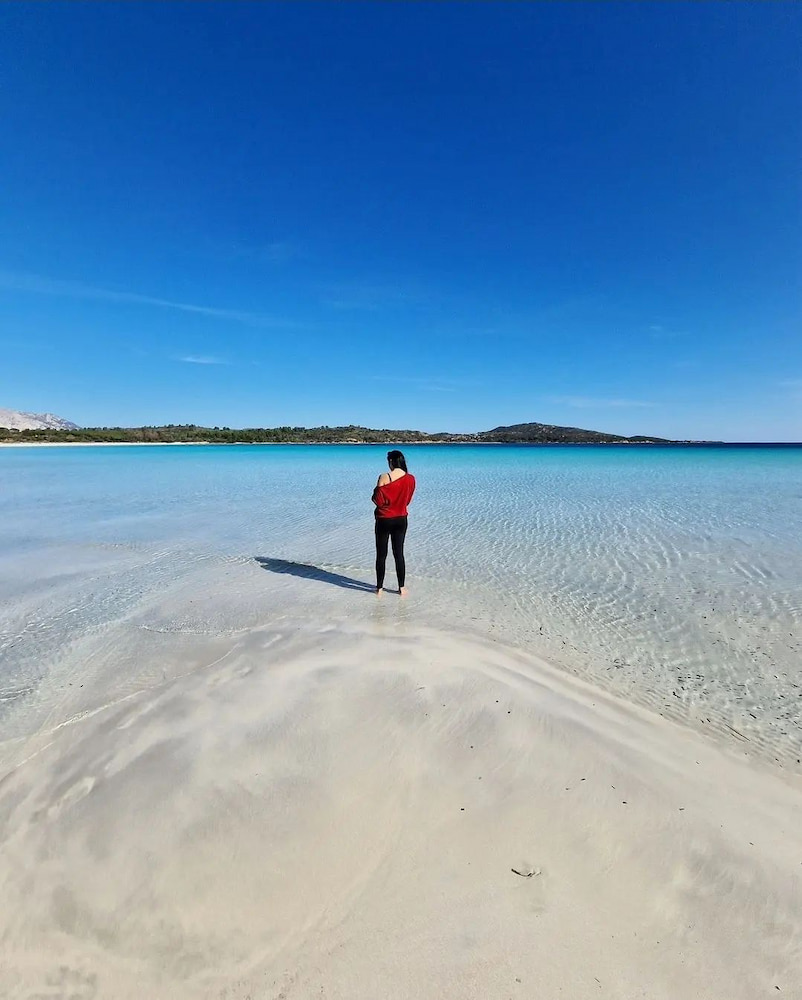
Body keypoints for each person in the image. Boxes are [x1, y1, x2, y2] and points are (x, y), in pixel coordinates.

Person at [372, 449, 415, 597]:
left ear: (391, 462)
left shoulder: (384, 477)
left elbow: (377, 501)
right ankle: (401, 588)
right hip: (401, 520)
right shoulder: (411, 479)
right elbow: (407, 500)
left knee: (381, 555)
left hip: (384, 520)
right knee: (399, 554)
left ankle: (379, 589)